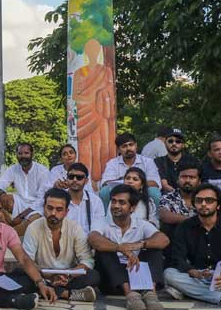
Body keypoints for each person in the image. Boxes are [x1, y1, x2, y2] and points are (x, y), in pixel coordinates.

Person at [88, 184, 169, 310]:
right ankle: (131, 295)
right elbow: (93, 239)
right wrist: (120, 248)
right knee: (104, 251)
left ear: (132, 208)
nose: (115, 206)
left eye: (121, 202)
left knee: (155, 249)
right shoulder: (101, 221)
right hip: (113, 281)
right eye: (113, 201)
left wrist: (140, 244)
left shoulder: (141, 224)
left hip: (137, 275)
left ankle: (150, 293)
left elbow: (164, 239)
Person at [23, 188, 99, 301]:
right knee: (21, 275)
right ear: (44, 207)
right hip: (42, 276)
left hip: (68, 278)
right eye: (49, 208)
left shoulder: (75, 228)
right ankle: (67, 294)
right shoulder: (33, 228)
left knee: (94, 276)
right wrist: (48, 278)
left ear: (66, 212)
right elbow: (27, 261)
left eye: (59, 209)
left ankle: (49, 291)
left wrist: (69, 275)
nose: (53, 213)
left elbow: (87, 260)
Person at [164, 183, 221, 304]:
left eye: (209, 200)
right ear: (194, 203)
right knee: (169, 274)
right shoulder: (185, 227)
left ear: (218, 205)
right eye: (199, 200)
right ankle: (215, 296)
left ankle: (189, 292)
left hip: (219, 276)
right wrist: (191, 271)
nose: (204, 204)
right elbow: (178, 257)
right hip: (197, 276)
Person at [72, 39, 117, 185]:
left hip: (101, 114)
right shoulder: (79, 72)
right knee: (85, 148)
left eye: (95, 49)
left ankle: (103, 181)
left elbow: (110, 92)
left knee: (102, 146)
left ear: (98, 52)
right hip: (85, 114)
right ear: (86, 52)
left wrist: (101, 94)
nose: (92, 52)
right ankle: (84, 181)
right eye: (90, 49)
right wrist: (91, 97)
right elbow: (75, 96)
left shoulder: (106, 71)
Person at [0, 142, 50, 235]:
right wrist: (2, 194)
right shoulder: (13, 169)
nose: (23, 156)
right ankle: (8, 228)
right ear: (17, 155)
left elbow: (42, 199)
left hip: (37, 206)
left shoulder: (42, 171)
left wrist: (22, 216)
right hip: (20, 202)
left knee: (32, 222)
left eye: (26, 153)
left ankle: (8, 234)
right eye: (20, 153)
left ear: (32, 154)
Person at [100, 133, 161, 207]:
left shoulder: (148, 162)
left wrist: (136, 184)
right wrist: (127, 184)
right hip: (120, 192)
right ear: (119, 150)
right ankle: (107, 217)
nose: (128, 148)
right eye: (124, 146)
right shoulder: (112, 163)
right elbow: (106, 183)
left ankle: (155, 217)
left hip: (141, 191)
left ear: (136, 146)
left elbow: (155, 182)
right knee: (104, 191)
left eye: (131, 145)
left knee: (154, 191)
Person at [158, 162, 202, 243]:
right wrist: (193, 221)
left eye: (192, 177)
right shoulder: (168, 197)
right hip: (175, 242)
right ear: (177, 180)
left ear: (199, 181)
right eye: (184, 177)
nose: (187, 180)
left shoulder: (204, 198)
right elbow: (163, 215)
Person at [64, 163, 105, 234]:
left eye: (79, 177)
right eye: (71, 177)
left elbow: (99, 229)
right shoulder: (60, 200)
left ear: (86, 181)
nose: (74, 180)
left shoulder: (96, 201)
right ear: (67, 178)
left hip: (89, 241)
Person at [155, 128, 200, 193]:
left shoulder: (193, 161)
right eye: (170, 141)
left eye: (178, 141)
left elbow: (197, 182)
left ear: (183, 145)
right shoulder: (158, 161)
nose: (174, 144)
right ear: (165, 143)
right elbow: (165, 185)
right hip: (166, 198)